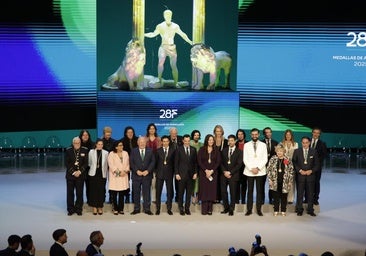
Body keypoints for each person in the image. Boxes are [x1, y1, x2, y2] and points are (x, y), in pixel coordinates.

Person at [145, 9, 193, 87]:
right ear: (164, 16)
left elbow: (183, 34)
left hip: (172, 47)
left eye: (169, 15)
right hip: (163, 47)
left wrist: (190, 41)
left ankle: (176, 82)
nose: (168, 16)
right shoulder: (160, 26)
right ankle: (159, 79)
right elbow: (153, 34)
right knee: (160, 63)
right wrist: (143, 34)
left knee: (173, 65)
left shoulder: (175, 26)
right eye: (166, 15)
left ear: (171, 15)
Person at [292, 136, 319, 216]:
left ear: (309, 143)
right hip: (300, 176)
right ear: (301, 143)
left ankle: (310, 210)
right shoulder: (297, 151)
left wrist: (311, 171)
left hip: (310, 176)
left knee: (310, 194)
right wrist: (300, 170)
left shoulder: (314, 151)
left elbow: (317, 164)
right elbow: (294, 163)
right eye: (303, 143)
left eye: (306, 143)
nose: (305, 144)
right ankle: (299, 209)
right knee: (300, 193)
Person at [243, 128, 268, 216]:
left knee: (259, 191)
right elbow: (245, 159)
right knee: (249, 191)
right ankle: (249, 209)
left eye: (256, 134)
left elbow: (265, 158)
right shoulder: (246, 145)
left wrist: (257, 168)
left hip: (260, 171)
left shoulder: (263, 145)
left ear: (259, 135)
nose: (254, 136)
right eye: (253, 134)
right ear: (251, 135)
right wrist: (251, 168)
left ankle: (259, 209)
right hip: (249, 171)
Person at [130, 136, 156, 215]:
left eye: (143, 142)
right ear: (138, 143)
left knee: (146, 193)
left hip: (147, 175)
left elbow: (153, 162)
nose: (142, 143)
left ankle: (147, 209)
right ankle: (136, 209)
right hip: (136, 175)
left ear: (146, 143)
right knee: (136, 192)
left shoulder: (150, 151)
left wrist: (147, 171)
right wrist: (136, 170)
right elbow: (131, 162)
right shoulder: (133, 151)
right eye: (140, 142)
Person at [267, 144, 294, 216]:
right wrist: (270, 180)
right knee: (275, 196)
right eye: (278, 151)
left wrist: (290, 181)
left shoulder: (287, 159)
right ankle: (276, 210)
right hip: (275, 181)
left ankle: (283, 210)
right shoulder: (273, 159)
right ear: (276, 151)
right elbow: (268, 170)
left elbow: (291, 170)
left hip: (285, 181)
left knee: (284, 196)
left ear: (284, 152)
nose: (279, 152)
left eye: (281, 151)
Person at [197, 134, 221, 215]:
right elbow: (199, 161)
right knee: (204, 190)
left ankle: (210, 208)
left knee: (211, 190)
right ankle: (204, 208)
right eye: (209, 140)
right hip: (203, 173)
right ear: (206, 140)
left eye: (212, 140)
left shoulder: (216, 150)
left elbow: (218, 162)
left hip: (213, 173)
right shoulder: (201, 149)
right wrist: (206, 170)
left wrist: (211, 171)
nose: (211, 141)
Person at [174, 134, 198, 215]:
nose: (187, 142)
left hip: (191, 175)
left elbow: (195, 163)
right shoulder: (178, 150)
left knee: (189, 193)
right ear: (183, 141)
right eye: (186, 141)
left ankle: (187, 208)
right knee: (180, 193)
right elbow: (176, 163)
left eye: (188, 141)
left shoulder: (193, 150)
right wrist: (176, 173)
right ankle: (181, 208)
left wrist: (195, 173)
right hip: (181, 175)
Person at [220, 134, 243, 216]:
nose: (230, 142)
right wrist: (224, 172)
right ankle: (226, 207)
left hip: (234, 175)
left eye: (232, 140)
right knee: (223, 192)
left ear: (235, 141)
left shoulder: (239, 151)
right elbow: (221, 163)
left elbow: (239, 164)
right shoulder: (224, 150)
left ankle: (231, 209)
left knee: (233, 193)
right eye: (229, 140)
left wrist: (230, 172)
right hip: (224, 175)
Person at [65, 137, 88, 216]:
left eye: (79, 143)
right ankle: (70, 209)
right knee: (70, 193)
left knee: (79, 193)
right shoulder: (68, 150)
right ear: (73, 143)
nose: (77, 144)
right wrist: (74, 172)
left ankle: (78, 209)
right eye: (75, 143)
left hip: (80, 176)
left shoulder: (85, 150)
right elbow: (67, 163)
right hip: (70, 176)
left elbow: (86, 163)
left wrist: (80, 171)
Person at [108, 140, 130, 215]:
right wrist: (118, 172)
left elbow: (128, 164)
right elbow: (111, 165)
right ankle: (115, 208)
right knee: (114, 194)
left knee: (122, 193)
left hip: (124, 176)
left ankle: (121, 208)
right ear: (116, 147)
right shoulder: (111, 154)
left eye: (122, 145)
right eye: (120, 145)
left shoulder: (125, 153)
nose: (122, 147)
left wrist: (125, 171)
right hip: (115, 176)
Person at [154, 135, 175, 215]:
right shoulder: (158, 151)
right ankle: (158, 209)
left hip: (169, 174)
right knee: (158, 192)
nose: (165, 143)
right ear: (162, 142)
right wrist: (156, 171)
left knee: (169, 192)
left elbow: (174, 163)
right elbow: (155, 162)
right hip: (159, 174)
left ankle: (169, 209)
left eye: (167, 141)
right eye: (164, 141)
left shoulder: (173, 150)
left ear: (169, 142)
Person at [88, 139, 109, 215]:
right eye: (99, 144)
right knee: (93, 191)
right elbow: (89, 163)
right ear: (96, 144)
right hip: (93, 174)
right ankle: (94, 207)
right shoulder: (91, 152)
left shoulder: (106, 153)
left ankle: (100, 207)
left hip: (102, 174)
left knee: (101, 191)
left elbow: (107, 164)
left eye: (101, 144)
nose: (100, 146)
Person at [120, 126, 138, 203]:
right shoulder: (122, 141)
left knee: (135, 181)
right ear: (126, 133)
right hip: (125, 164)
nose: (130, 134)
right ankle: (126, 196)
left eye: (131, 132)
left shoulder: (137, 140)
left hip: (136, 164)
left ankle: (134, 197)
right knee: (125, 181)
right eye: (128, 132)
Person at [280, 129, 298, 204]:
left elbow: (296, 155)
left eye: (289, 135)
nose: (288, 136)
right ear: (285, 135)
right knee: (283, 182)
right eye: (287, 135)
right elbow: (279, 154)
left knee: (291, 182)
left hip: (292, 166)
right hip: (283, 165)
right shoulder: (281, 144)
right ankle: (283, 198)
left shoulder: (295, 144)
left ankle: (290, 199)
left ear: (291, 136)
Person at [310, 127, 327, 205]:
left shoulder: (322, 144)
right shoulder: (307, 142)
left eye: (318, 133)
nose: (316, 134)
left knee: (316, 183)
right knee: (307, 183)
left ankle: (315, 199)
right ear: (312, 133)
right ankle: (307, 198)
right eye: (314, 132)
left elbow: (323, 156)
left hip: (317, 168)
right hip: (306, 167)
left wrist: (315, 166)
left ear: (319, 134)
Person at [262, 127, 278, 204]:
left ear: (271, 133)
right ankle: (261, 199)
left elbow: (278, 155)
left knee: (273, 184)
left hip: (273, 167)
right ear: (264, 134)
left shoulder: (276, 143)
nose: (268, 134)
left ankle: (271, 199)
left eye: (269, 132)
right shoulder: (260, 143)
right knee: (261, 184)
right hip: (262, 167)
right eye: (266, 132)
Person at [146, 123, 161, 203]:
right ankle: (145, 198)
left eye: (153, 129)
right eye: (150, 128)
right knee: (146, 183)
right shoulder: (144, 139)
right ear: (148, 130)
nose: (152, 130)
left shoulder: (159, 139)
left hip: (156, 164)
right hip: (146, 164)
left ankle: (154, 199)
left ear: (155, 130)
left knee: (154, 183)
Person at [213, 124, 228, 203]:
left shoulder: (226, 141)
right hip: (213, 165)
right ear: (214, 132)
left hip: (223, 165)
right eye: (217, 131)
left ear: (222, 132)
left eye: (220, 131)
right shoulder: (212, 140)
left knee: (221, 182)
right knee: (214, 182)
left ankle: (220, 198)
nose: (218, 133)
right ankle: (214, 197)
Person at [101, 126, 116, 204]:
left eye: (109, 133)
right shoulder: (100, 141)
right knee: (102, 181)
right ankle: (102, 197)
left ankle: (112, 198)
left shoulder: (114, 141)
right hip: (102, 164)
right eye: (107, 133)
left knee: (112, 181)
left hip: (112, 165)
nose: (108, 134)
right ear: (104, 133)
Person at [79, 129, 94, 205]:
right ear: (81, 136)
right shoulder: (78, 144)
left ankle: (90, 201)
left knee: (90, 186)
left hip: (89, 169)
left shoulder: (92, 145)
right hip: (80, 169)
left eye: (87, 135)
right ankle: (80, 201)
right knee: (80, 186)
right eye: (84, 135)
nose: (85, 136)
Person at [168, 127, 183, 203]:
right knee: (169, 183)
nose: (174, 135)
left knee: (178, 182)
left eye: (175, 133)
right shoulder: (166, 139)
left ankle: (178, 198)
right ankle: (170, 198)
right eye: (172, 133)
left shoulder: (181, 139)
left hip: (179, 164)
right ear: (170, 133)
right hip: (169, 164)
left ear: (177, 133)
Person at [190, 129, 203, 205]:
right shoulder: (190, 143)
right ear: (193, 136)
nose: (196, 136)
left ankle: (198, 198)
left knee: (198, 183)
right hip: (191, 166)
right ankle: (192, 198)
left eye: (198, 135)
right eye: (195, 135)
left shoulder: (201, 144)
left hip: (200, 166)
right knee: (192, 183)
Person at [235, 129, 247, 204]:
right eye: (239, 134)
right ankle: (236, 199)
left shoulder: (248, 143)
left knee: (244, 184)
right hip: (236, 168)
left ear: (244, 135)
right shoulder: (235, 144)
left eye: (241, 134)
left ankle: (243, 200)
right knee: (236, 184)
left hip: (246, 167)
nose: (240, 135)